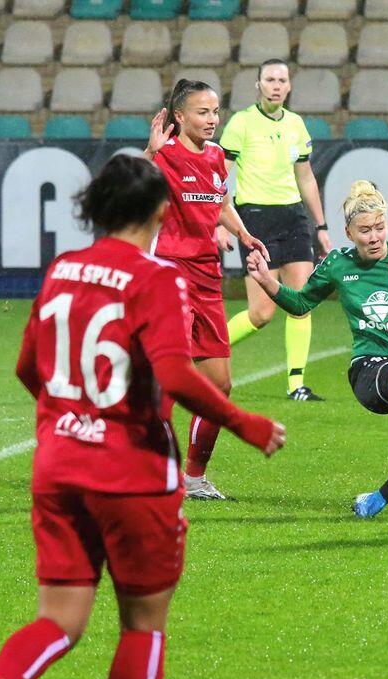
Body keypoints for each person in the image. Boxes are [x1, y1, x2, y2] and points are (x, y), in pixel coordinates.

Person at [0, 155, 285, 679]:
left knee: (59, 620)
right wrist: (245, 423)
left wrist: (67, 425)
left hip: (59, 468)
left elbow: (28, 368)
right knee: (143, 624)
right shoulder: (158, 277)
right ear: (161, 212)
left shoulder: (64, 269)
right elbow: (175, 374)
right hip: (133, 474)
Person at [245, 181, 388, 518]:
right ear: (349, 233)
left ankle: (376, 500)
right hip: (370, 369)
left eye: (379, 227)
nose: (374, 237)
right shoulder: (338, 264)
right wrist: (267, 282)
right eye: (365, 230)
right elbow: (300, 304)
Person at [144, 79, 270, 500]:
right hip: (170, 277)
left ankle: (194, 478)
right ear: (180, 116)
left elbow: (220, 203)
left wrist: (244, 234)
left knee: (219, 386)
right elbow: (132, 188)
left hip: (207, 279)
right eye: (203, 112)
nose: (213, 119)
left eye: (215, 111)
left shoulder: (216, 156)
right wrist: (151, 153)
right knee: (170, 377)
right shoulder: (165, 155)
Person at [219, 59, 333, 402]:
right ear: (258, 85)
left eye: (282, 80)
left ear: (289, 86)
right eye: (269, 79)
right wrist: (219, 223)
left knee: (301, 302)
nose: (276, 85)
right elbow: (219, 177)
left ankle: (297, 385)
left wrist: (321, 226)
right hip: (254, 219)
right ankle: (204, 350)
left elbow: (306, 178)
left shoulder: (296, 124)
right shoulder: (241, 123)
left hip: (293, 217)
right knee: (261, 313)